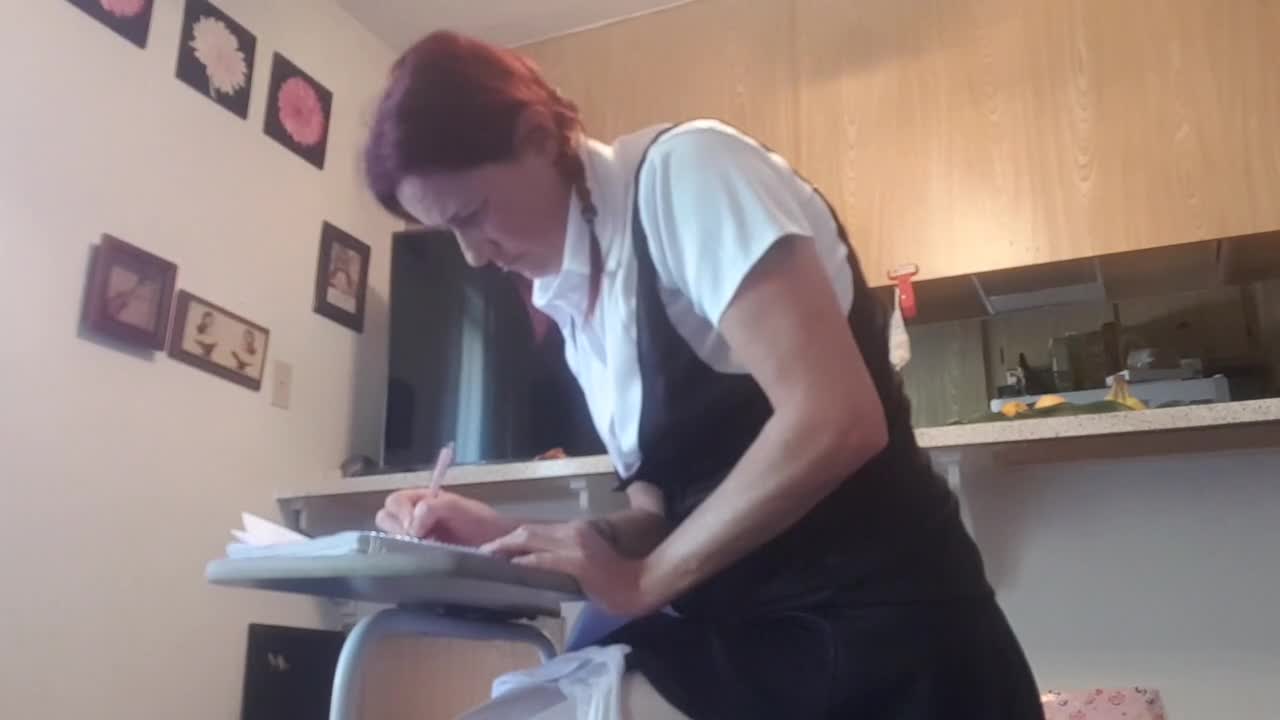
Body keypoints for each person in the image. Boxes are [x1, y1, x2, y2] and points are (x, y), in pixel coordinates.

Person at [365, 31, 1042, 719]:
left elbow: (836, 418)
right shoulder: (578, 309)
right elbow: (659, 516)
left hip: (882, 637)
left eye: (472, 215)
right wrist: (501, 537)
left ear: (538, 137)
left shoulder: (687, 175)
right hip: (750, 635)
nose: (473, 256)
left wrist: (645, 581)